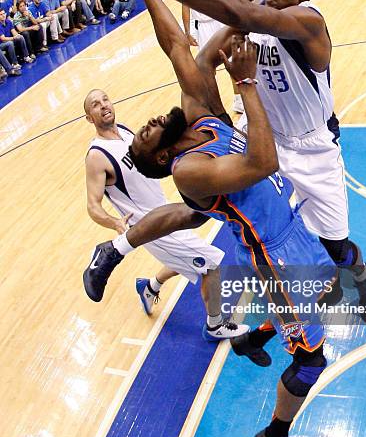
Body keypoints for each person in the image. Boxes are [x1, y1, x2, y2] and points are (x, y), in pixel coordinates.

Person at [86, 0, 337, 437]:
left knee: (330, 287)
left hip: (290, 229)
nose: (147, 124)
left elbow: (175, 44)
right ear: (158, 158)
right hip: (274, 256)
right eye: (145, 139)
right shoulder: (188, 171)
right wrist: (245, 83)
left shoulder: (198, 114)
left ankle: (248, 335)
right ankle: (274, 435)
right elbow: (263, 161)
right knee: (313, 357)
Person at [102, 0, 366, 324]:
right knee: (205, 208)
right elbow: (192, 58)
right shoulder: (250, 24)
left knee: (335, 246)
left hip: (313, 149)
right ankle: (116, 250)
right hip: (266, 140)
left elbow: (243, 13)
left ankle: (361, 274)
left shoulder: (309, 20)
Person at [83, 89, 248, 340]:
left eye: (105, 99)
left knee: (188, 258)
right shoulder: (97, 156)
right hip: (149, 228)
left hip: (165, 214)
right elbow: (92, 206)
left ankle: (150, 287)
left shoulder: (126, 133)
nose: (103, 105)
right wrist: (114, 222)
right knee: (210, 265)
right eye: (95, 105)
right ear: (89, 117)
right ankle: (215, 325)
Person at [181, 0, 243, 113]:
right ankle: (214, 105)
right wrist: (187, 32)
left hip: (224, 20)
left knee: (234, 59)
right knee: (207, 67)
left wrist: (239, 11)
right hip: (205, 24)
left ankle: (239, 99)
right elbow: (185, 5)